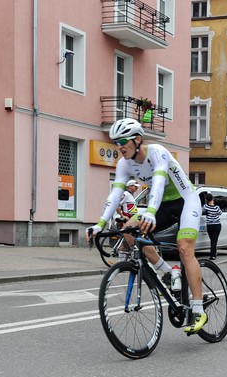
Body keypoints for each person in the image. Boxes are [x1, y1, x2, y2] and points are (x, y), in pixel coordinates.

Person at [85, 118, 207, 334]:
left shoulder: (157, 152)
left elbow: (159, 182)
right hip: (163, 206)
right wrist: (99, 223)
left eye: (123, 141)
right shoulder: (124, 164)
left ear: (137, 140)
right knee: (128, 231)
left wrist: (150, 212)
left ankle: (198, 309)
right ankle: (168, 273)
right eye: (116, 142)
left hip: (186, 200)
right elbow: (115, 194)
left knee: (184, 249)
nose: (119, 146)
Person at [203, 193, 222, 260]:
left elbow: (203, 211)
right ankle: (213, 255)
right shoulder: (216, 207)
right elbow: (220, 213)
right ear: (212, 199)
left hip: (209, 225)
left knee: (212, 240)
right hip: (217, 225)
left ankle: (213, 253)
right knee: (214, 240)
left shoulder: (205, 206)